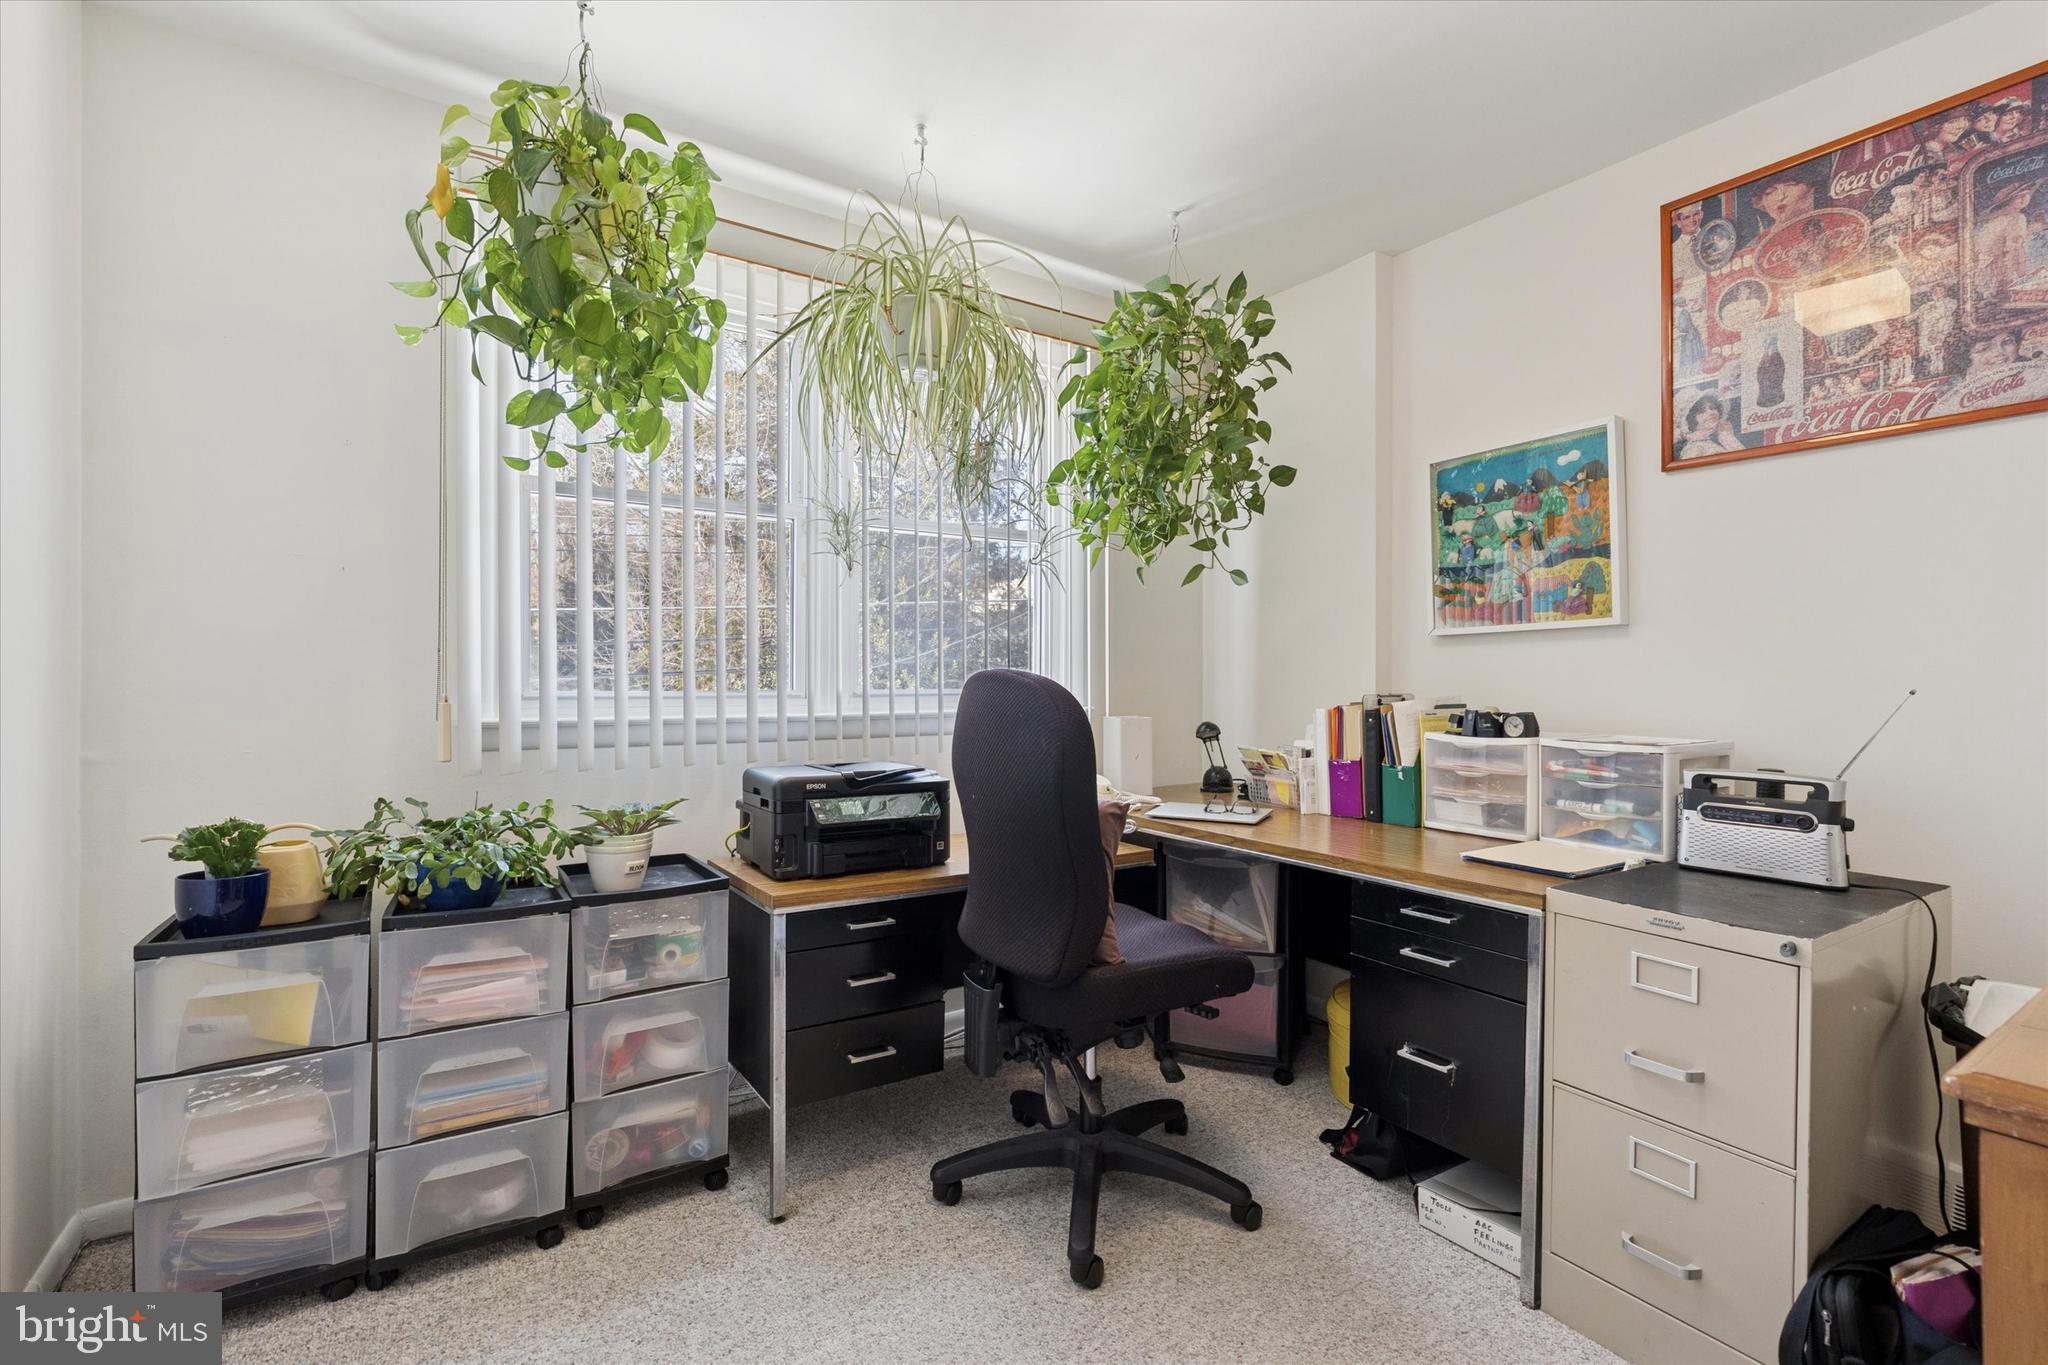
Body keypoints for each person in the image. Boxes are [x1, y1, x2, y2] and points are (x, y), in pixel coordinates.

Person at [1974, 181, 2036, 311]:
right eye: (2019, 196)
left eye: (2025, 194)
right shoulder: (2009, 219)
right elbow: (2011, 248)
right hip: (2001, 262)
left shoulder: (2013, 218)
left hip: (2004, 260)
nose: (2024, 198)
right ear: (2008, 201)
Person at [1678, 394, 1746, 459]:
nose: (1711, 413)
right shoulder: (1694, 448)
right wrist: (1728, 439)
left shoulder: (1717, 439)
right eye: (1702, 411)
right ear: (1692, 419)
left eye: (1713, 408)